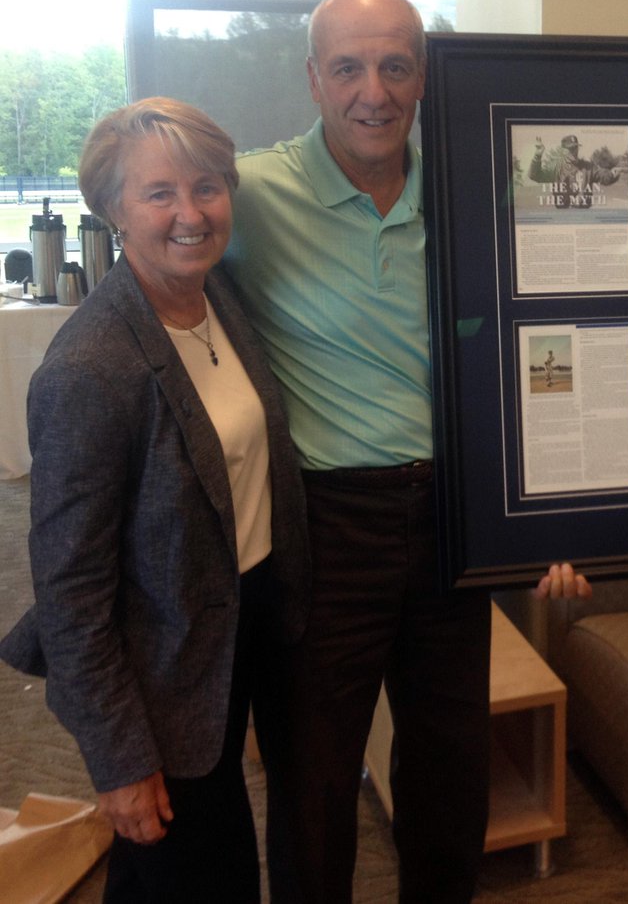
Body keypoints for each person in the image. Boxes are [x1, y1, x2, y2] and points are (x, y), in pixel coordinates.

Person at [221, 0, 591, 904]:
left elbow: (579, 325)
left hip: (454, 522)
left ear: (424, 76)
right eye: (348, 67)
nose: (372, 92)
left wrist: (564, 509)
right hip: (324, 525)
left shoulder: (478, 194)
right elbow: (152, 226)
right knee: (312, 781)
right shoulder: (251, 195)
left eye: (394, 66)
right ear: (313, 78)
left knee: (449, 773)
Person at [0, 98, 310, 902]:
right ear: (112, 210)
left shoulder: (217, 300)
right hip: (159, 679)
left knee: (174, 870)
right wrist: (120, 762)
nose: (190, 213)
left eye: (207, 187)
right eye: (159, 193)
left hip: (231, 632)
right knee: (204, 873)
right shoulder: (90, 368)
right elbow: (70, 594)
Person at [528, 132, 624, 208]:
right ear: (563, 151)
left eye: (575, 147)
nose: (574, 151)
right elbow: (535, 175)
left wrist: (613, 174)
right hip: (562, 216)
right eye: (570, 149)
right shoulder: (556, 167)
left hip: (584, 216)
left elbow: (604, 177)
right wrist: (537, 155)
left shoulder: (588, 167)